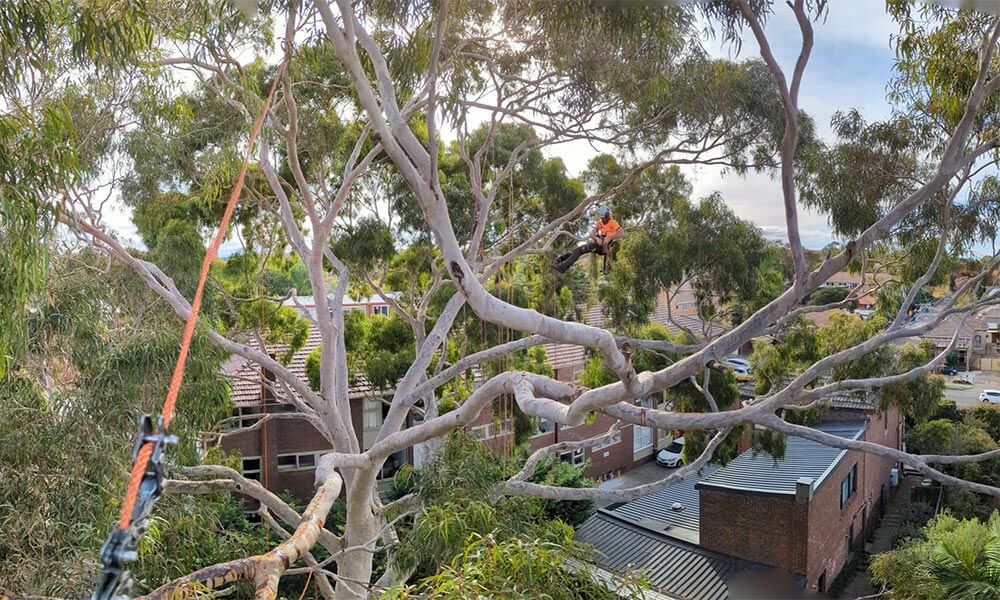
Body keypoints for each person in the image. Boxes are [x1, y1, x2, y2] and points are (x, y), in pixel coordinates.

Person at [553, 206, 623, 274]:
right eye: (602, 218)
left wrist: (610, 237)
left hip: (602, 247)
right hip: (598, 243)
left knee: (580, 250)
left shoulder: (613, 223)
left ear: (608, 215)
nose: (604, 219)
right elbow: (592, 234)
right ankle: (561, 259)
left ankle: (562, 268)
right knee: (577, 250)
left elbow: (622, 233)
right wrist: (596, 238)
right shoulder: (600, 222)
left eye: (605, 217)